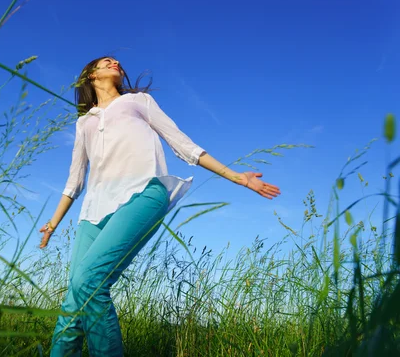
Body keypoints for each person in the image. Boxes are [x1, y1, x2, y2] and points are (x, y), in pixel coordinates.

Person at [39, 56, 280, 356]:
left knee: (90, 281)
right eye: (106, 61)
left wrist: (237, 177)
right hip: (93, 213)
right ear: (90, 75)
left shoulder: (138, 101)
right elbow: (74, 181)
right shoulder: (84, 122)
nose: (115, 62)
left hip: (143, 194)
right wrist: (52, 224)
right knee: (74, 299)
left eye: (117, 61)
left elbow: (182, 144)